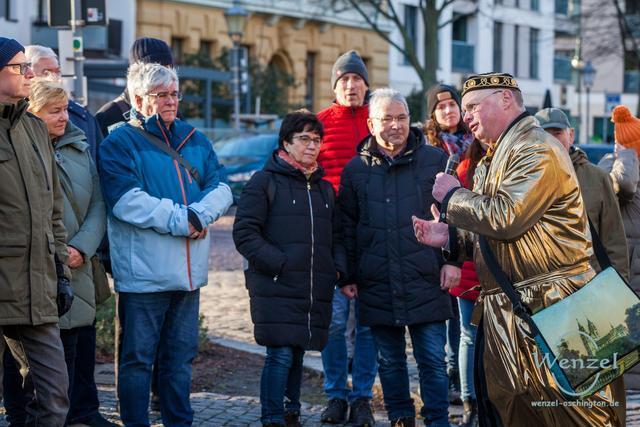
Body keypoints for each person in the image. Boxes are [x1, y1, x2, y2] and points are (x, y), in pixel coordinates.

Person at [413, 72, 626, 426]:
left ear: (506, 100)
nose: (466, 116)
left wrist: (452, 195)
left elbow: (507, 216)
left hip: (560, 307)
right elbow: (492, 236)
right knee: (519, 412)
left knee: (578, 414)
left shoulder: (536, 148)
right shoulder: (491, 159)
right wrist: (450, 238)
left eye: (473, 107)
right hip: (514, 311)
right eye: (464, 109)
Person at [99, 62, 233, 425]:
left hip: (189, 276)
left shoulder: (194, 138)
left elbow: (221, 186)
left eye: (175, 93)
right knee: (138, 360)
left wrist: (199, 216)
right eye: (162, 95)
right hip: (144, 275)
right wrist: (184, 220)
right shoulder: (118, 143)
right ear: (140, 98)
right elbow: (126, 201)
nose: (172, 101)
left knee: (180, 359)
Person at [340, 88, 455, 427]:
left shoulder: (436, 161)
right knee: (389, 362)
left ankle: (437, 419)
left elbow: (458, 217)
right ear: (371, 123)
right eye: (387, 118)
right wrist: (346, 275)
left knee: (433, 359)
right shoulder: (355, 170)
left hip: (426, 277)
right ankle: (400, 418)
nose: (395, 125)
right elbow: (345, 227)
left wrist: (452, 260)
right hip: (377, 280)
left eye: (402, 117)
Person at [3, 78, 109, 426]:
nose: (65, 117)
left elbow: (95, 203)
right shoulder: (22, 143)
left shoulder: (78, 146)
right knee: (29, 379)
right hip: (26, 274)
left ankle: (83, 413)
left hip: (68, 269)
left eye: (66, 109)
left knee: (67, 369)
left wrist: (80, 247)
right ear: (34, 111)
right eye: (55, 111)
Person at [233, 109, 347, 427]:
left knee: (297, 351)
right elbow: (244, 233)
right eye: (304, 139)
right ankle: (272, 417)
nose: (312, 146)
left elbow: (336, 236)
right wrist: (280, 263)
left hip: (312, 285)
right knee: (280, 353)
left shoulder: (324, 188)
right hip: (275, 283)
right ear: (286, 142)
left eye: (317, 140)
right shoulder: (264, 181)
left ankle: (291, 412)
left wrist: (336, 269)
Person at [0, 37, 72, 425]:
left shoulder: (33, 129)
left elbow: (53, 211)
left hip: (37, 286)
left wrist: (60, 272)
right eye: (18, 67)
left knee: (55, 395)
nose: (29, 74)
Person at [316, 50, 377, 426]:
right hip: (330, 236)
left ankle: (363, 398)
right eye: (344, 80)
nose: (351, 86)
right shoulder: (319, 123)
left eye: (357, 79)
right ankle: (335, 395)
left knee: (368, 323)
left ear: (366, 85)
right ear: (335, 86)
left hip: (372, 235)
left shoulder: (379, 120)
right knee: (335, 323)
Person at [536, 107, 629, 279]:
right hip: (542, 290)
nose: (550, 140)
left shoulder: (597, 178)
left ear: (570, 135)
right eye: (543, 134)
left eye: (557, 133)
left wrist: (618, 289)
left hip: (589, 286)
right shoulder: (522, 179)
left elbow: (614, 241)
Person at [423, 83, 469, 404]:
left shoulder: (473, 145)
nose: (448, 111)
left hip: (464, 235)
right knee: (438, 309)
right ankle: (440, 371)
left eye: (452, 104)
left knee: (458, 311)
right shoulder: (427, 149)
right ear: (433, 114)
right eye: (441, 107)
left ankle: (455, 374)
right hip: (433, 237)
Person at [450, 140, 485, 427]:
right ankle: (469, 400)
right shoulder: (466, 170)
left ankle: (482, 400)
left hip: (496, 268)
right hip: (471, 267)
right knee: (468, 335)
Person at [25, 45, 103, 160]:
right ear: (28, 74)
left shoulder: (83, 118)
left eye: (58, 72)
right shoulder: (15, 119)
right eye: (46, 72)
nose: (55, 78)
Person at [95, 37, 174, 137]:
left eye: (168, 70)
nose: (165, 76)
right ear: (137, 72)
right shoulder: (107, 117)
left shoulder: (170, 109)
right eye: (156, 71)